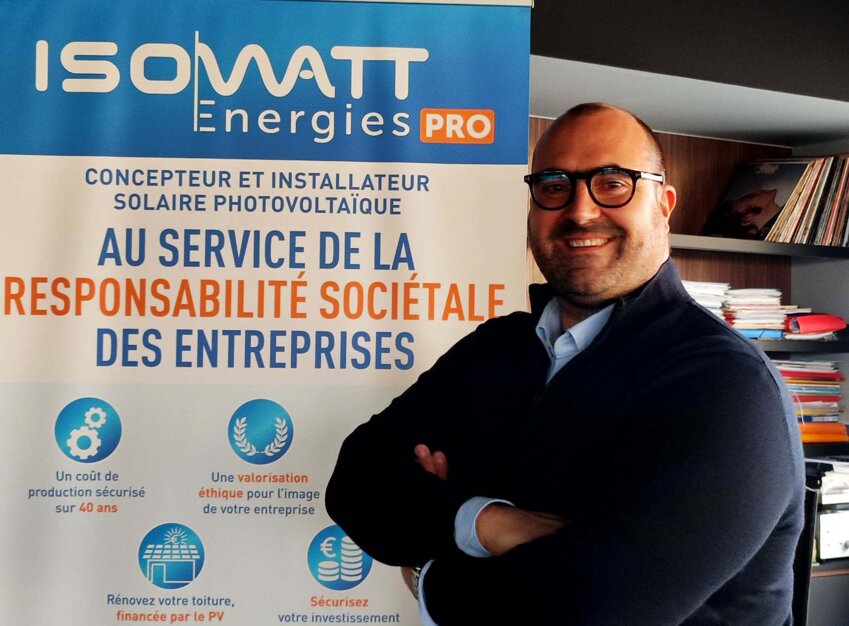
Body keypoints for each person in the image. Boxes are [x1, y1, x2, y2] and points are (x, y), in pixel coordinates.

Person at [325, 103, 805, 625]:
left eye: (613, 183)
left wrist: (429, 569)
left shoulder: (725, 383)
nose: (580, 211)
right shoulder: (497, 347)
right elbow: (355, 483)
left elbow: (594, 607)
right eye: (554, 185)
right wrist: (489, 523)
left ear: (663, 205)